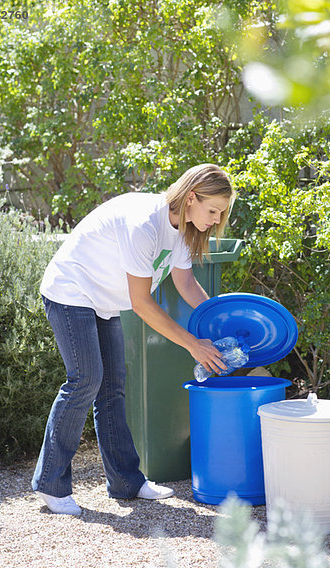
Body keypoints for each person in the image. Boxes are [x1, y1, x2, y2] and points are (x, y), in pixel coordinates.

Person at [32, 163, 236, 515]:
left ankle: (126, 481)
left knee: (112, 387)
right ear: (191, 198)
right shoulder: (145, 223)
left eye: (221, 214)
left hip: (105, 302)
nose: (216, 221)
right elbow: (142, 304)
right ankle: (51, 483)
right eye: (213, 211)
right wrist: (193, 344)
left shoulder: (182, 229)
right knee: (86, 380)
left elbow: (185, 282)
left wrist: (221, 322)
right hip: (71, 291)